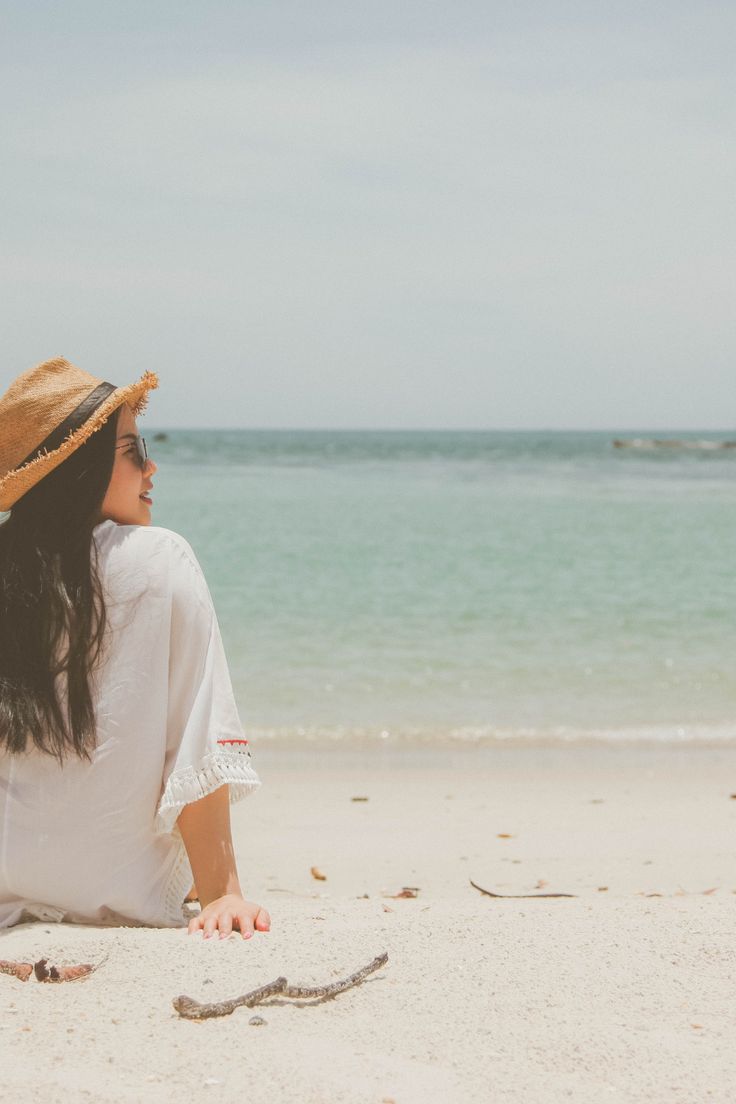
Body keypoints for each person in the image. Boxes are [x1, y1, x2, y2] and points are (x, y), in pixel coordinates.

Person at [0, 357, 270, 940]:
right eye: (132, 449)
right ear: (78, 470)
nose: (152, 466)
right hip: (116, 889)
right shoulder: (159, 557)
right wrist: (224, 894)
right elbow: (195, 735)